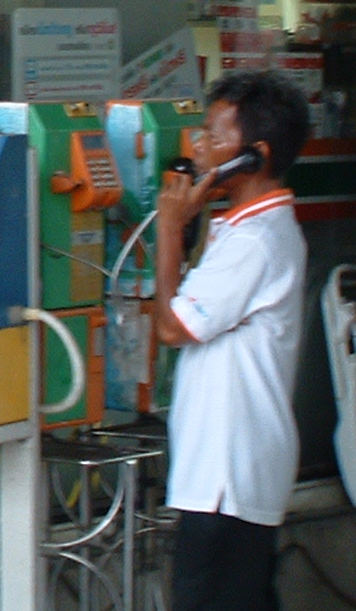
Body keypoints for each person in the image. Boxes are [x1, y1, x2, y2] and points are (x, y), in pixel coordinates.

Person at [155, 69, 312, 611]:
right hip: (229, 472)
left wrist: (169, 229)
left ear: (255, 155)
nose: (198, 147)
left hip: (227, 475)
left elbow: (173, 328)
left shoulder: (256, 241)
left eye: (212, 135)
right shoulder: (245, 230)